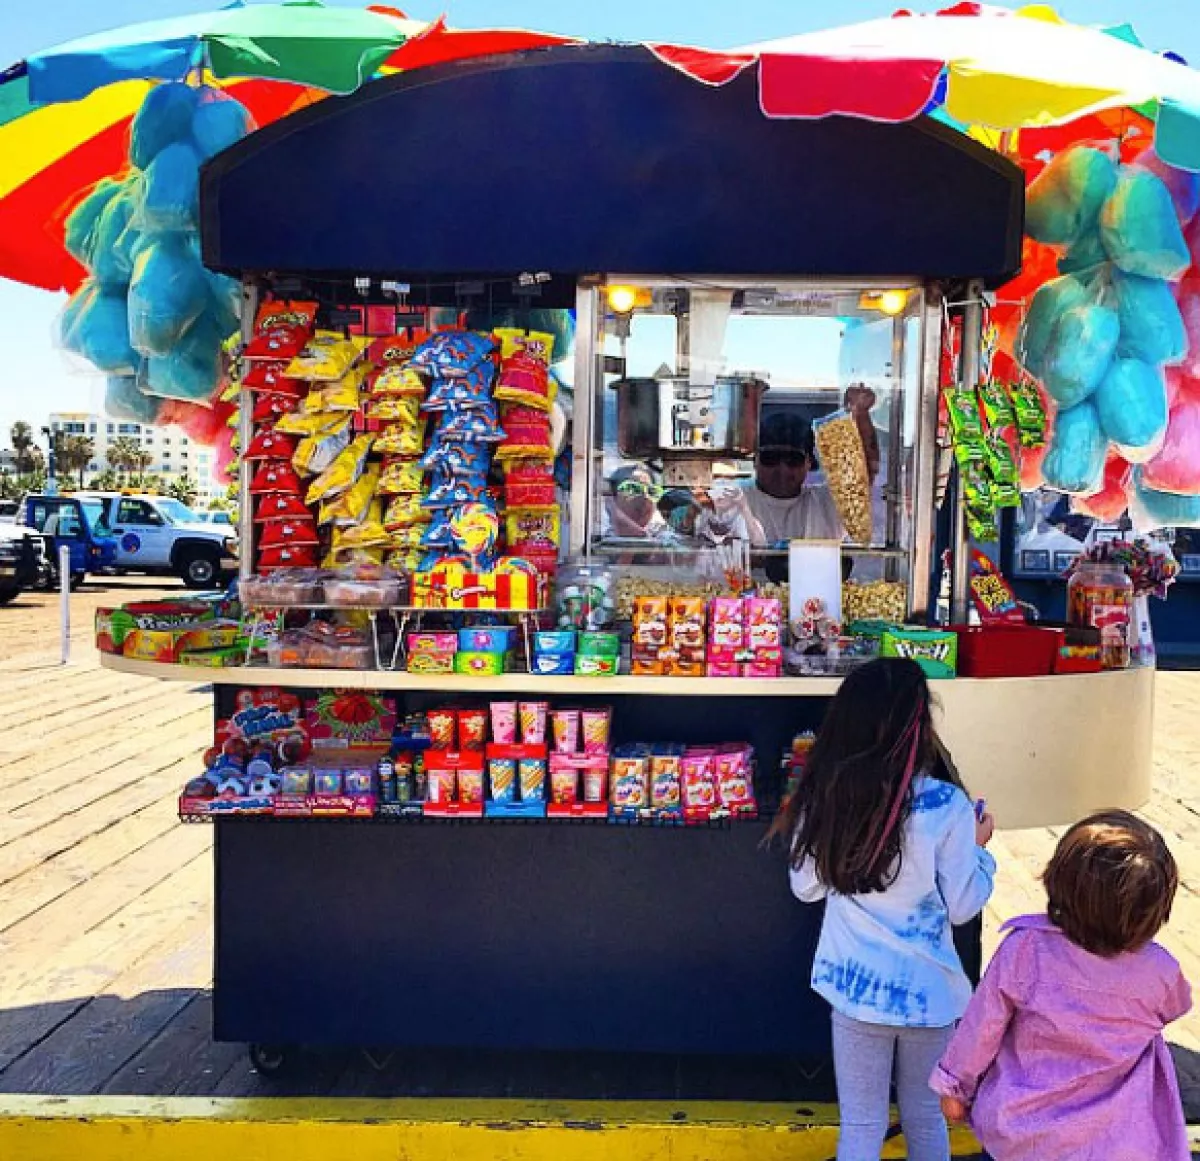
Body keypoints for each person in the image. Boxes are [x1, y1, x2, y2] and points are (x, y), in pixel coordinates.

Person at [771, 658, 995, 1161]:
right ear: (918, 728)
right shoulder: (947, 806)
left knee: (861, 1125)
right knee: (925, 1119)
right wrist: (980, 850)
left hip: (855, 993)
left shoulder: (825, 796)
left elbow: (806, 888)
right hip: (929, 996)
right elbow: (964, 906)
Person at [931, 810, 1191, 1161]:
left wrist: (954, 1085)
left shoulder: (1025, 948)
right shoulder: (1161, 971)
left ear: (1058, 881)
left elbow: (982, 1027)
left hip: (1023, 1134)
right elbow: (1175, 1007)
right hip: (1115, 1142)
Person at [737, 412, 844, 546]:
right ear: (754, 459)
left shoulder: (828, 504)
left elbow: (865, 479)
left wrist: (861, 415)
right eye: (771, 458)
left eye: (794, 460)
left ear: (809, 463)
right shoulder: (734, 500)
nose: (782, 470)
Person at [604, 464, 673, 540]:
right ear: (613, 498)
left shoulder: (665, 535)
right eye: (633, 489)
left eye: (652, 491)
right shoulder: (598, 535)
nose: (645, 497)